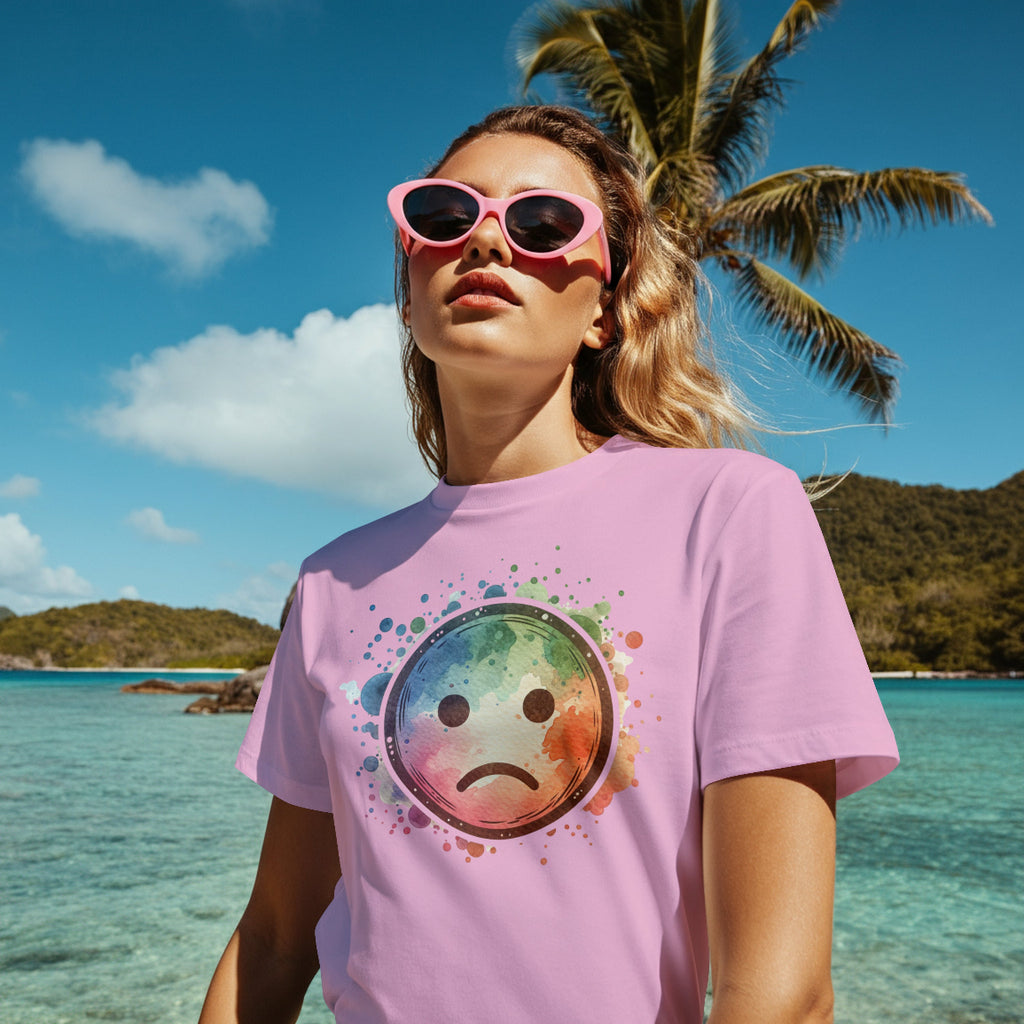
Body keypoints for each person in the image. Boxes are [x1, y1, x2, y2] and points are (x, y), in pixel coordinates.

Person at [199, 105, 898, 1024]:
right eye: (446, 216)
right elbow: (275, 938)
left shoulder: (729, 514)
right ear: (409, 293)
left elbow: (782, 990)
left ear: (605, 308)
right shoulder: (333, 584)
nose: (487, 242)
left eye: (541, 223)